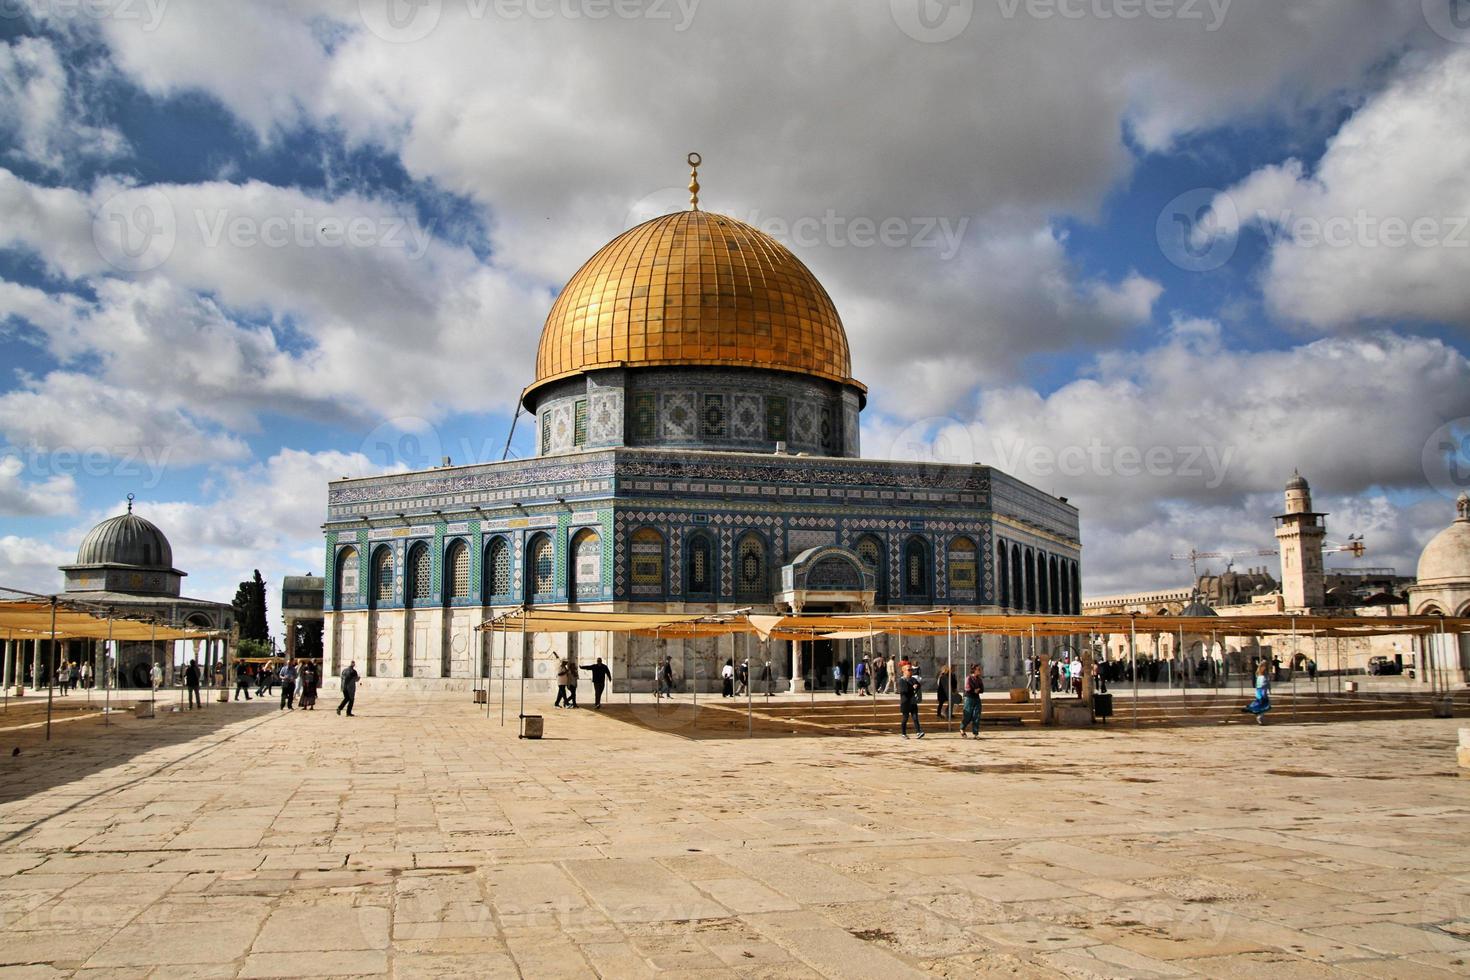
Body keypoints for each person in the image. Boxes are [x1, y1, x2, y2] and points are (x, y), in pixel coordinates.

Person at [897, 664, 924, 739]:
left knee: (915, 717)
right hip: (905, 702)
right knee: (905, 718)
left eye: (911, 670)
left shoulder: (912, 679)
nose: (910, 671)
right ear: (904, 671)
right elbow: (904, 690)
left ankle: (918, 732)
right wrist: (912, 688)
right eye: (909, 670)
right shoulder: (902, 680)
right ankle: (903, 733)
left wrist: (916, 687)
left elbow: (918, 685)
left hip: (913, 701)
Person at [1241, 660, 1272, 725]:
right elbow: (1267, 684)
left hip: (1259, 690)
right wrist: (1269, 689)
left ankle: (1257, 714)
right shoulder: (1263, 675)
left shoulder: (1258, 674)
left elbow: (1266, 683)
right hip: (1261, 691)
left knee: (1262, 704)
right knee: (1264, 705)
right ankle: (1258, 715)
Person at [961, 664, 984, 738]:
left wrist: (978, 690)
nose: (979, 671)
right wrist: (974, 690)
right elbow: (967, 688)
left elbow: (982, 689)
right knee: (968, 715)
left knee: (976, 715)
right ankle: (962, 728)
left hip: (976, 698)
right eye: (978, 669)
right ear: (974, 670)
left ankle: (975, 733)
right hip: (969, 698)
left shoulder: (979, 679)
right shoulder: (969, 678)